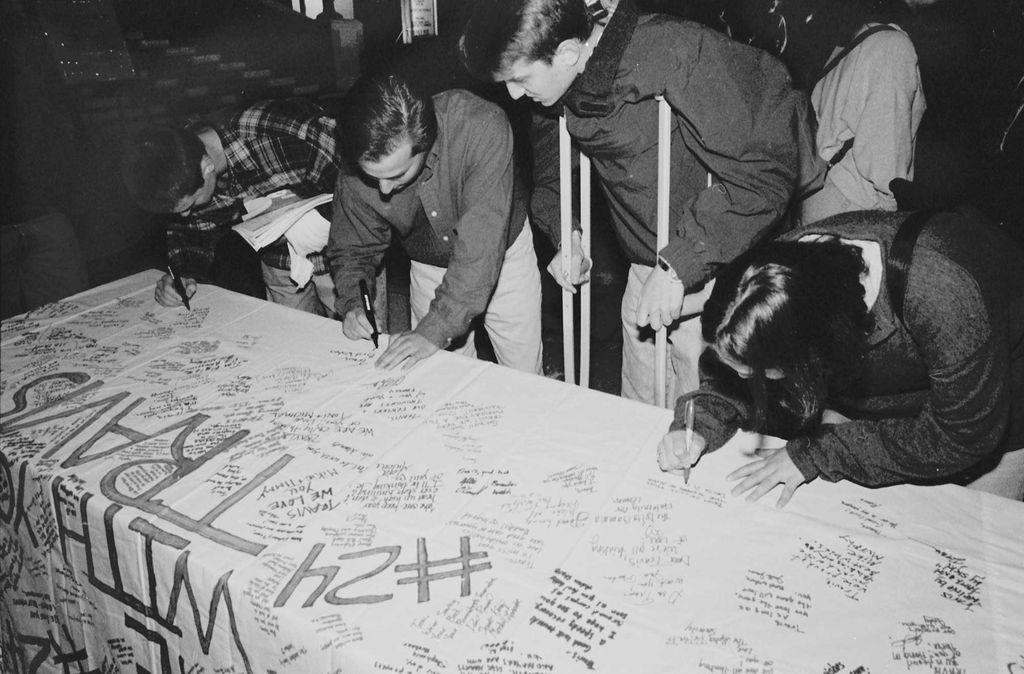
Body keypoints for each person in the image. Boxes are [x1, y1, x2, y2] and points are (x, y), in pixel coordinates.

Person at [459, 0, 819, 405]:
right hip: (645, 269)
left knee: (701, 421)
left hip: (714, 268)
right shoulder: (555, 85)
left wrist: (679, 265)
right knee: (637, 414)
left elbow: (763, 172)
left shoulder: (675, 49)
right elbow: (553, 171)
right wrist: (568, 235)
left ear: (567, 53)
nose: (512, 93)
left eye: (520, 78)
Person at [657, 208, 1024, 504]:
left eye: (757, 372)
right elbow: (737, 372)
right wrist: (700, 423)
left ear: (807, 354)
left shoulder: (945, 293)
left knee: (973, 544)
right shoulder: (779, 276)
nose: (745, 379)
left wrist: (819, 453)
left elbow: (959, 436)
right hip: (891, 376)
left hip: (994, 386)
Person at [326, 74, 543, 373]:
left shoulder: (480, 125)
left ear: (425, 142)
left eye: (397, 175)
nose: (384, 191)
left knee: (524, 375)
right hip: (428, 264)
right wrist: (353, 302)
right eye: (373, 178)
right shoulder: (354, 165)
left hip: (502, 257)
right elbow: (352, 249)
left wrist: (435, 328)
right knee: (442, 378)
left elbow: (480, 250)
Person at [121, 98, 341, 315]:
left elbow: (358, 189)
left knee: (357, 336)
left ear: (208, 168)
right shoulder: (180, 167)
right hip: (280, 259)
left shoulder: (284, 132)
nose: (186, 215)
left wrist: (300, 227)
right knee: (294, 338)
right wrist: (183, 278)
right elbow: (192, 232)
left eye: (189, 205)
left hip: (340, 248)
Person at [799, 19, 926, 223]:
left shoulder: (860, 38)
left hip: (822, 195)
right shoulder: (894, 47)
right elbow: (885, 153)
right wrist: (889, 213)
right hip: (854, 204)